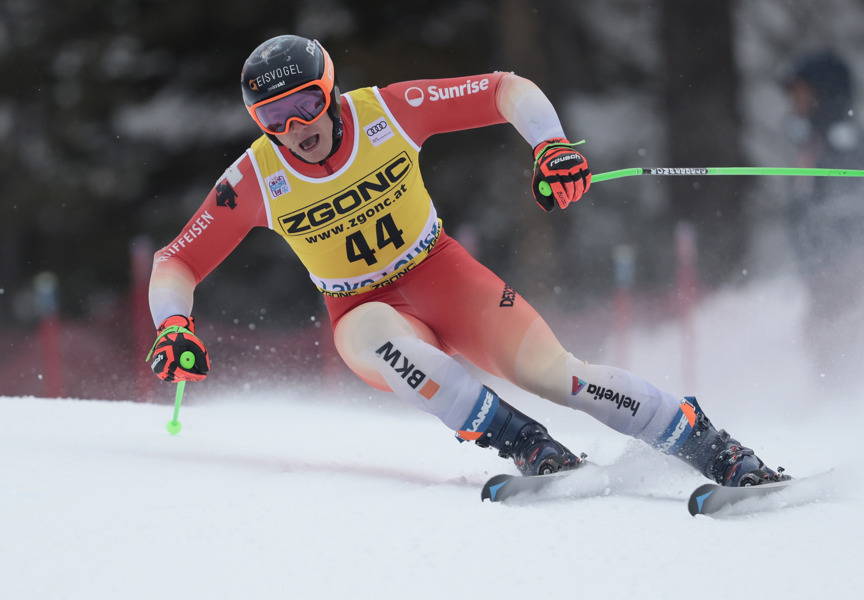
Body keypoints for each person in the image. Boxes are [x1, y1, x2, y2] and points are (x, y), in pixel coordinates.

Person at [145, 34, 788, 486]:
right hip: (361, 309)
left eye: (306, 104)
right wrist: (173, 326)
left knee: (558, 375)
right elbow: (176, 260)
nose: (296, 128)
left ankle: (713, 448)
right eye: (273, 118)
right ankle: (530, 447)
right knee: (395, 348)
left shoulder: (387, 114)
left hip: (442, 273)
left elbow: (507, 89)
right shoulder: (253, 177)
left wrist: (552, 146)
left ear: (331, 91)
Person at [782, 50, 864, 383]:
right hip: (824, 278)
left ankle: (856, 407)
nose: (794, 101)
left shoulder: (847, 143)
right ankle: (835, 406)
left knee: (851, 352)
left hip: (849, 276)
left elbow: (860, 211)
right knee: (828, 353)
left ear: (823, 92)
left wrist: (837, 263)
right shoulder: (813, 143)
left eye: (801, 92)